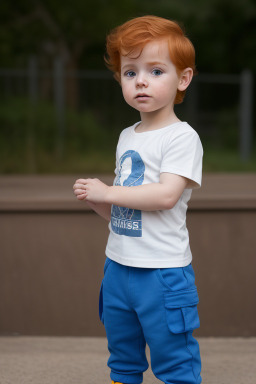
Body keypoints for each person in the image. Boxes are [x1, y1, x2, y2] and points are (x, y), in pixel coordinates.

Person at [73, 15, 203, 384]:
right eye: (130, 73)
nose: (141, 80)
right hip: (118, 265)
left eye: (156, 70)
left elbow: (165, 195)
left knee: (173, 355)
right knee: (123, 354)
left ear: (183, 79)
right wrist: (98, 201)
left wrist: (107, 191)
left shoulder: (181, 137)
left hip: (161, 271)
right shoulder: (127, 135)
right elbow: (125, 212)